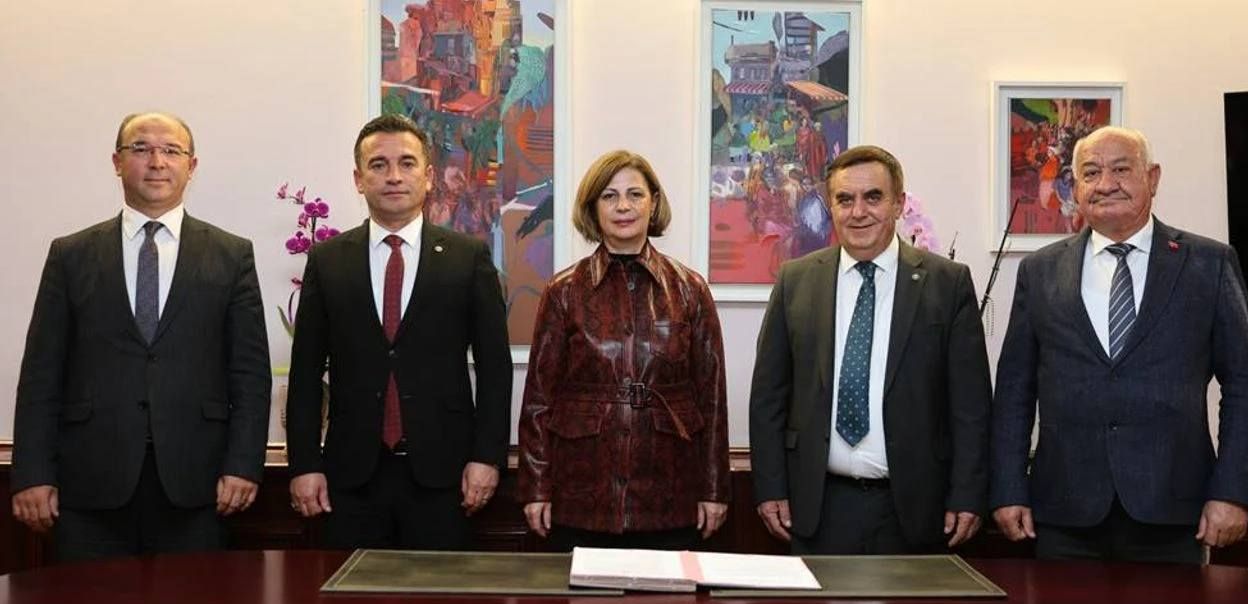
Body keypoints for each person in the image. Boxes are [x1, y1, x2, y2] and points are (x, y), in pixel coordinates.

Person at [990, 126, 1248, 563]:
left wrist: (1232, 492)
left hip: (1173, 512)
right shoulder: (1040, 271)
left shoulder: (1208, 263)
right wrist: (1008, 488)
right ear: (1076, 187)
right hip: (1064, 514)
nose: (1106, 184)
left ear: (1152, 178)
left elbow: (1247, 385)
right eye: (1091, 173)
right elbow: (1014, 391)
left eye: (1121, 169)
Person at [11, 112, 271, 560]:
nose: (157, 161)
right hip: (89, 484)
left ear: (191, 165)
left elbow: (249, 374)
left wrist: (244, 464)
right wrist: (32, 473)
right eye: (141, 149)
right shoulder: (71, 255)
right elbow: (41, 373)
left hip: (198, 483)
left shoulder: (231, 255)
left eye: (171, 150)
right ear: (117, 162)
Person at [749, 145, 991, 554]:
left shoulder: (946, 284)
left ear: (898, 203)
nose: (858, 212)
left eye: (873, 197)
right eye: (845, 199)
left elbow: (970, 404)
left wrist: (968, 492)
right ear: (831, 206)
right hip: (817, 508)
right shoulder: (795, 281)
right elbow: (768, 396)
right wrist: (770, 487)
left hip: (916, 509)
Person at [286, 114, 512, 550]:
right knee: (349, 594)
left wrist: (487, 457)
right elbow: (306, 372)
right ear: (359, 179)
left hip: (444, 475)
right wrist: (304, 463)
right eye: (378, 165)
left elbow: (494, 369)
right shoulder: (328, 260)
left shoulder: (467, 258)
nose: (393, 176)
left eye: (407, 163)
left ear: (428, 177)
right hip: (351, 476)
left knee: (438, 594)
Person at [518, 150, 729, 551]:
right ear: (592, 208)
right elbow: (539, 399)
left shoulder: (690, 289)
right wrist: (536, 486)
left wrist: (715, 488)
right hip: (581, 493)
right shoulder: (563, 291)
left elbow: (711, 396)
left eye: (635, 194)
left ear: (653, 202)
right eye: (609, 196)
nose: (623, 207)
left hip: (670, 492)